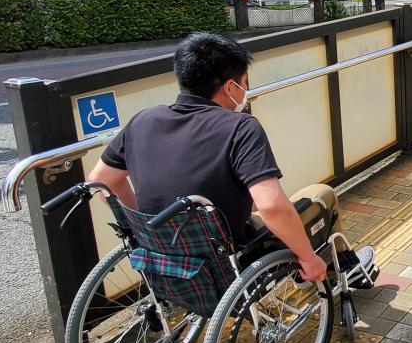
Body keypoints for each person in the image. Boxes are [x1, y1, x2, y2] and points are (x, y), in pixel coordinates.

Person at [86, 32, 332, 282]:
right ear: (230, 87)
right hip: (227, 257)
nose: (246, 90)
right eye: (245, 83)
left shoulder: (142, 120)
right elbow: (271, 206)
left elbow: (101, 180)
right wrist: (308, 257)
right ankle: (334, 273)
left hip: (163, 254)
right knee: (322, 196)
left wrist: (146, 224)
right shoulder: (241, 127)